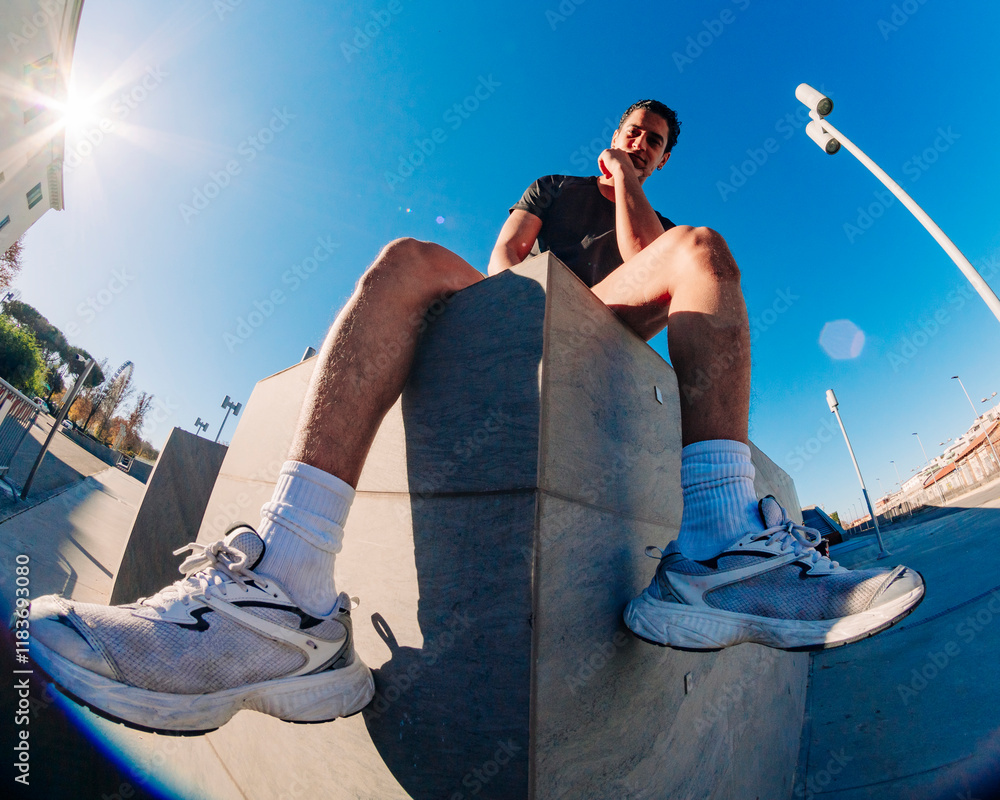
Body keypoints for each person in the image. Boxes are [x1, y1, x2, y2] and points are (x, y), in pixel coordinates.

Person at [27, 100, 924, 733]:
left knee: (701, 253)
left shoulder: (644, 204)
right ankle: (288, 587)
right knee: (405, 257)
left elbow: (649, 272)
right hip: (514, 293)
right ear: (613, 129)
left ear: (658, 157)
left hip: (605, 310)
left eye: (653, 143)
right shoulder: (548, 183)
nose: (640, 144)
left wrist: (625, 189)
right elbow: (506, 252)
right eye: (632, 133)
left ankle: (723, 549)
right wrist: (499, 316)